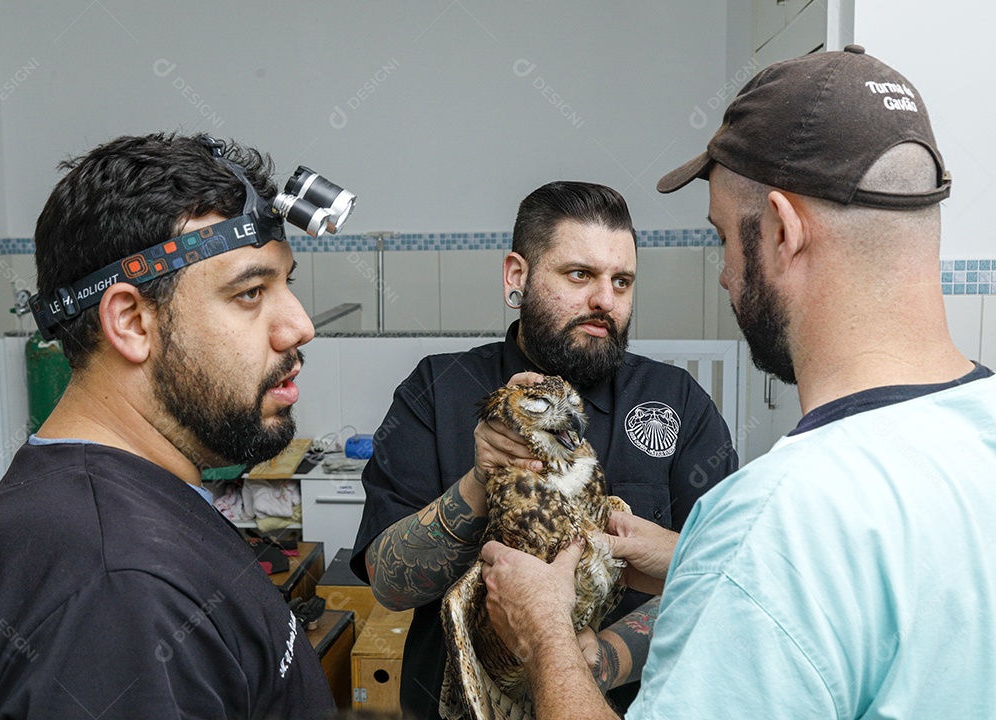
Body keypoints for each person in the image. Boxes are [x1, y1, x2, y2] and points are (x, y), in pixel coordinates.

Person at [481, 45, 996, 718]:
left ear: (782, 232)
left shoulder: (779, 522)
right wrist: (699, 559)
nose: (725, 275)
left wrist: (546, 637)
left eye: (723, 238)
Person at [0, 133, 337, 719]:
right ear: (130, 321)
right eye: (251, 292)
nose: (299, 326)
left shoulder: (126, 499)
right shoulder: (118, 588)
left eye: (288, 284)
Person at [350, 181, 738, 718]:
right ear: (517, 276)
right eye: (579, 275)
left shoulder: (676, 401)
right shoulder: (438, 389)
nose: (605, 300)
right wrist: (479, 482)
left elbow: (727, 582)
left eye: (621, 281)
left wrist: (604, 657)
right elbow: (389, 584)